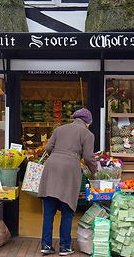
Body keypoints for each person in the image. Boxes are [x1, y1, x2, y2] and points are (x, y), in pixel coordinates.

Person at [38, 108, 98, 256]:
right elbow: (89, 157)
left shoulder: (60, 129)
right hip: (70, 170)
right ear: (88, 122)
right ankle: (64, 246)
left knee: (49, 211)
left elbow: (48, 148)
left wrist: (58, 156)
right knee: (67, 209)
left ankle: (46, 245)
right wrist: (95, 171)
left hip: (51, 168)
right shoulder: (87, 134)